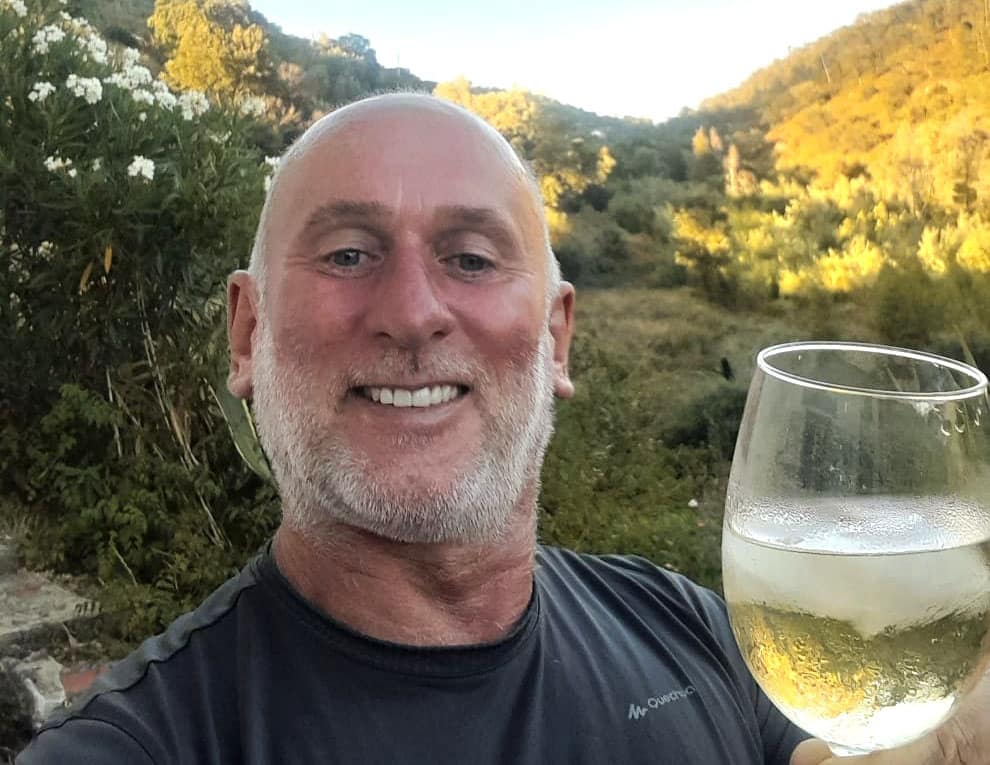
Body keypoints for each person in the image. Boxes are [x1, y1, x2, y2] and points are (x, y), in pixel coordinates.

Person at [17, 94, 990, 764]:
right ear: (247, 330)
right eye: (349, 253)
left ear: (558, 338)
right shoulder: (140, 744)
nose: (412, 310)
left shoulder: (689, 630)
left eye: (473, 259)